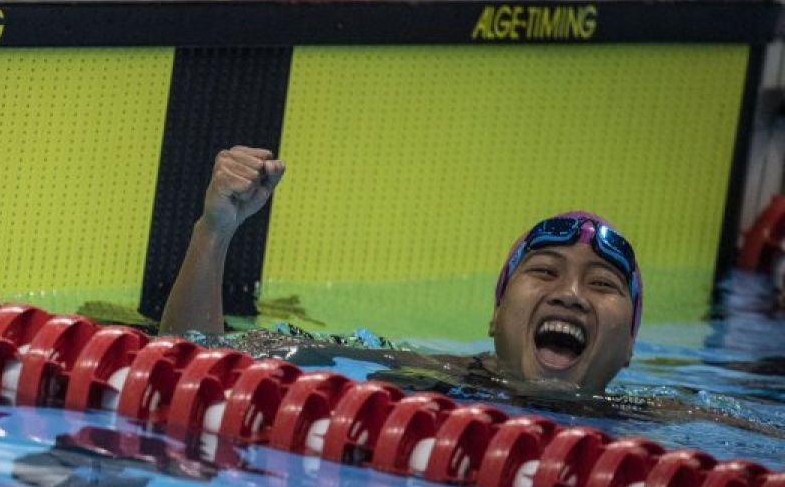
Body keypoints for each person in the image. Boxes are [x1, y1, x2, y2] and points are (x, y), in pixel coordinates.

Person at [160, 146, 642, 395]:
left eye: (602, 284)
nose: (571, 295)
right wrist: (214, 232)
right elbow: (200, 363)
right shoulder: (410, 377)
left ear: (630, 348)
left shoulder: (676, 427)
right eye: (544, 272)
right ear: (495, 317)